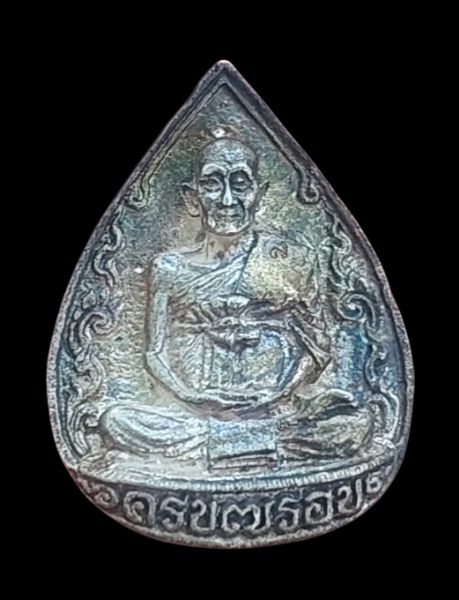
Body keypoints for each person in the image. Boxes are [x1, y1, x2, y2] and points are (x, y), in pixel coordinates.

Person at [100, 137, 372, 466]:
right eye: (213, 184)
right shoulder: (169, 268)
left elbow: (317, 348)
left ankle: (222, 447)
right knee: (115, 420)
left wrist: (279, 393)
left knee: (354, 425)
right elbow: (154, 352)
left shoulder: (290, 259)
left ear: (259, 193)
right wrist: (190, 397)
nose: (228, 200)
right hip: (196, 417)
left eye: (240, 184)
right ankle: (254, 445)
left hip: (275, 411)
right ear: (192, 197)